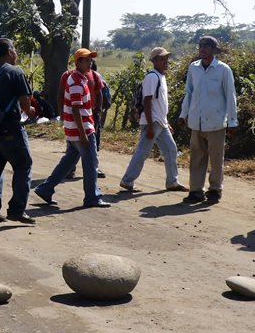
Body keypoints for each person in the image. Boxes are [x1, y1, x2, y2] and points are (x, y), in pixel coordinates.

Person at [33, 48, 109, 209]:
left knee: (68, 161)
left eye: (90, 60)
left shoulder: (78, 78)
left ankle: (45, 189)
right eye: (86, 60)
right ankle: (92, 197)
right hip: (82, 128)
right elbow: (76, 110)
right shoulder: (76, 82)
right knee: (91, 163)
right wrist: (83, 134)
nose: (90, 63)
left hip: (75, 128)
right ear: (78, 62)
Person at [0, 38, 36, 227]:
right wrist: (31, 111)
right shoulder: (15, 71)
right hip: (11, 128)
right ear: (9, 51)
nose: (16, 53)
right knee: (23, 165)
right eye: (14, 50)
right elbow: (25, 105)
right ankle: (17, 209)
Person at [179, 36, 239, 205]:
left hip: (216, 122)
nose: (203, 49)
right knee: (196, 158)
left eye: (207, 46)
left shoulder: (223, 69)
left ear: (213, 49)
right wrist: (183, 114)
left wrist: (232, 121)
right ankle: (196, 191)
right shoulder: (194, 67)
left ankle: (215, 190)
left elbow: (230, 96)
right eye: (201, 46)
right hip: (196, 121)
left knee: (216, 159)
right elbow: (189, 92)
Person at [119, 47, 184, 194]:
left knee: (171, 150)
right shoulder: (152, 77)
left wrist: (166, 122)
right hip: (152, 122)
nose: (166, 61)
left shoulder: (161, 77)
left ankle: (172, 182)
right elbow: (147, 101)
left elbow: (159, 103)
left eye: (167, 58)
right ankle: (127, 181)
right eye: (162, 59)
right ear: (154, 61)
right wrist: (149, 125)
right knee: (142, 152)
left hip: (160, 122)